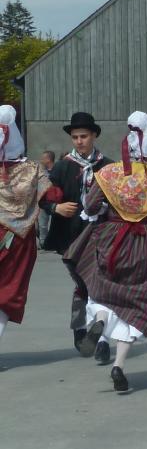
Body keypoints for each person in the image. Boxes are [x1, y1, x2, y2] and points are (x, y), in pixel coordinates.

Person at [66, 113, 147, 393]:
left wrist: (110, 206)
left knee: (103, 290)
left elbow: (91, 206)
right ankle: (119, 365)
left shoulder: (109, 173)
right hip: (143, 244)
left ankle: (101, 320)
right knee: (137, 301)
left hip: (110, 238)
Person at [41, 111, 113, 360]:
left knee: (101, 284)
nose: (79, 141)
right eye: (75, 137)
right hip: (71, 236)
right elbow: (44, 197)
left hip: (102, 234)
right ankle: (80, 327)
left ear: (94, 135)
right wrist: (55, 208)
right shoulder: (63, 166)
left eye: (83, 136)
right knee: (83, 284)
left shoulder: (107, 166)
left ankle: (102, 341)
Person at [0, 106, 56, 355]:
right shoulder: (33, 168)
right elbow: (51, 194)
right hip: (17, 240)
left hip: (14, 239)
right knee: (7, 294)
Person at [37, 150, 55, 247]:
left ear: (48, 159)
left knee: (55, 223)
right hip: (43, 201)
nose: (41, 160)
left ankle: (51, 242)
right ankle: (43, 242)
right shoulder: (41, 172)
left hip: (55, 201)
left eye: (43, 158)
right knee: (42, 224)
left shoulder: (56, 170)